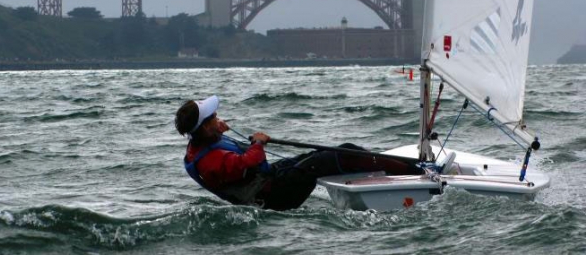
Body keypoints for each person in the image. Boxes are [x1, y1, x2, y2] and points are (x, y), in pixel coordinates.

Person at [175, 95, 422, 211]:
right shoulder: (210, 160)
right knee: (339, 154)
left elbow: (233, 160)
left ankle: (398, 169)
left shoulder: (200, 146)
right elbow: (247, 161)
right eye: (214, 117)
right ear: (205, 126)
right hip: (277, 196)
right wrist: (259, 143)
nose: (219, 118)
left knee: (326, 153)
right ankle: (415, 171)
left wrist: (219, 132)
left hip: (271, 183)